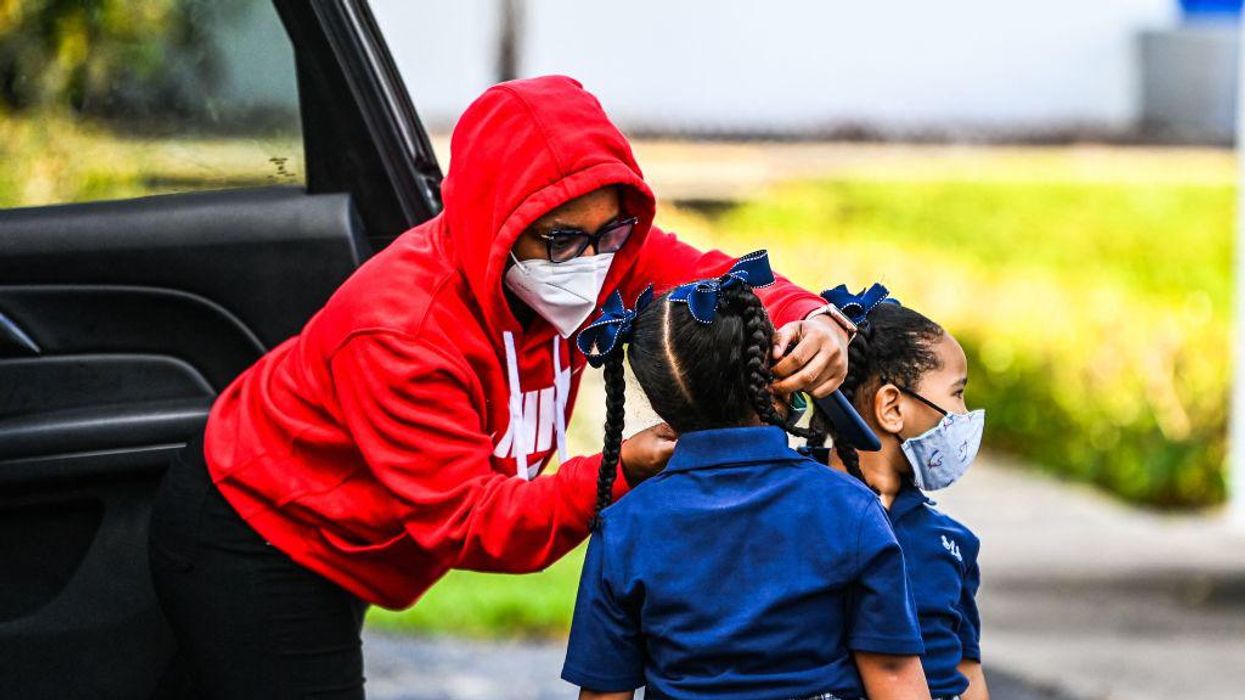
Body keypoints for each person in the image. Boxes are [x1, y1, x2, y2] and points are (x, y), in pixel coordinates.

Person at [147, 75, 857, 698]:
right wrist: (622, 469)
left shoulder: (604, 255)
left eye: (611, 231)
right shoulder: (401, 331)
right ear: (497, 225)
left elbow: (716, 277)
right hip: (262, 533)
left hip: (354, 537)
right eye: (560, 240)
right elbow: (472, 522)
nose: (591, 263)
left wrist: (813, 319)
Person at [562, 253, 930, 700]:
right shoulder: (849, 507)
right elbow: (892, 673)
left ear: (662, 406)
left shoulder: (625, 526)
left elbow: (604, 694)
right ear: (769, 376)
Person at [807, 283, 989, 700]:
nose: (964, 414)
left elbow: (967, 670)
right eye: (957, 394)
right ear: (892, 407)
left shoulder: (954, 543)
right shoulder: (799, 517)